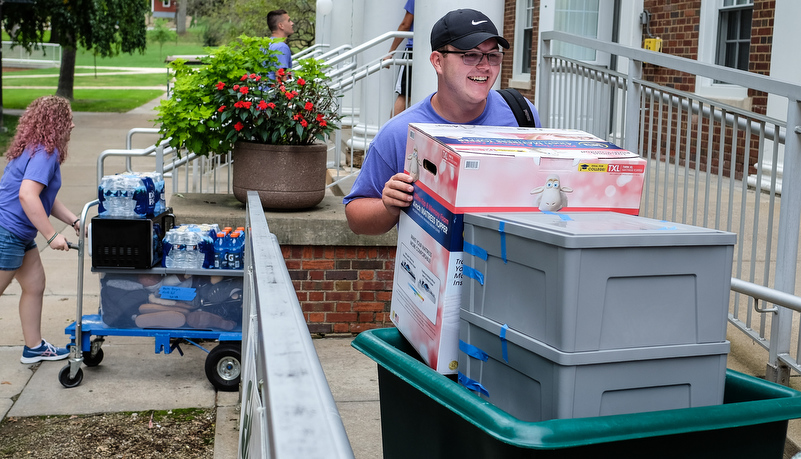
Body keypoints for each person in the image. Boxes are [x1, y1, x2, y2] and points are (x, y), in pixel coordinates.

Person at [344, 8, 542, 235]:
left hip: (511, 263)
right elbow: (355, 217)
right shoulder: (401, 133)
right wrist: (387, 206)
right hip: (433, 265)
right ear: (438, 61)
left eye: (492, 56)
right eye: (471, 55)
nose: (485, 66)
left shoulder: (521, 113)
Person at [0, 95, 81, 364]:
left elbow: (44, 195)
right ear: (56, 122)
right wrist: (52, 235)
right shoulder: (46, 153)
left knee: (35, 285)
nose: (71, 126)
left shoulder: (37, 148)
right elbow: (27, 196)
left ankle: (34, 348)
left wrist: (73, 220)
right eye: (67, 119)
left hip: (19, 232)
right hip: (7, 232)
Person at [385, 0, 414, 117]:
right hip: (436, 51)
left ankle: (391, 133)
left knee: (404, 95)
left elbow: (405, 24)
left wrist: (391, 51)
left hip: (413, 51)